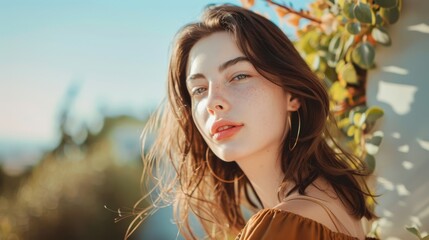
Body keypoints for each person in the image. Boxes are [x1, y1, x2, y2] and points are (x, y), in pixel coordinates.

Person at [128, 4, 378, 240]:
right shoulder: (338, 200)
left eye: (239, 76)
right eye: (199, 89)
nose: (214, 101)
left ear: (293, 94)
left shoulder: (284, 225)